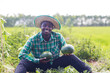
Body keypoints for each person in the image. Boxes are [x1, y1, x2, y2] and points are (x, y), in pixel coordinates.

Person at [15, 15, 92, 73]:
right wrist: (37, 60)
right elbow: (22, 55)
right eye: (44, 25)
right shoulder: (33, 39)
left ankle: (89, 71)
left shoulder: (58, 37)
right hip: (39, 65)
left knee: (71, 57)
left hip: (55, 64)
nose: (47, 28)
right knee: (23, 62)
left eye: (49, 26)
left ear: (52, 28)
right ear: (41, 27)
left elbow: (65, 49)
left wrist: (67, 54)